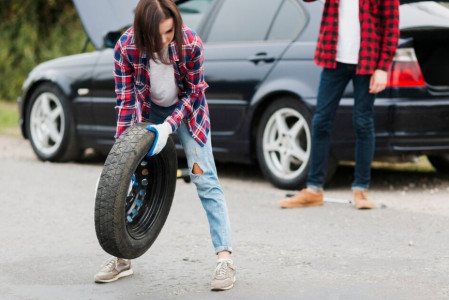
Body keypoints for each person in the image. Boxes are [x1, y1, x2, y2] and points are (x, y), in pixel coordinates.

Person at [94, 0, 235, 291]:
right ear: (142, 31)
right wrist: (121, 159)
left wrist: (170, 126)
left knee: (205, 179)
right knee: (131, 183)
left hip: (188, 113)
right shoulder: (125, 47)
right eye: (156, 35)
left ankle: (224, 259)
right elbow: (124, 102)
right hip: (148, 112)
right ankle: (122, 258)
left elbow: (195, 92)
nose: (163, 40)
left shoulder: (190, 43)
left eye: (169, 32)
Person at [280, 0, 400, 209]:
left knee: (363, 122)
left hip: (367, 60)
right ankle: (314, 189)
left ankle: (361, 189)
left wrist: (383, 67)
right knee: (321, 122)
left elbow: (391, 26)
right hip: (333, 59)